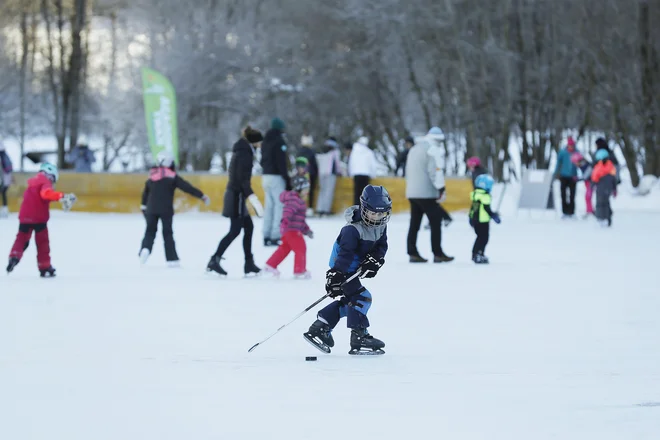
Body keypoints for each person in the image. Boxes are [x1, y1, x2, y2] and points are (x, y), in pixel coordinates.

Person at [303, 185, 391, 355]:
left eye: (381, 213)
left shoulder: (381, 225)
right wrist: (336, 276)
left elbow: (381, 245)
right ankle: (358, 336)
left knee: (351, 301)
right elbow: (345, 254)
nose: (377, 218)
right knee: (362, 298)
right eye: (373, 213)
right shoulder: (352, 229)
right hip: (343, 266)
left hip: (354, 265)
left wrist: (375, 260)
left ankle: (321, 326)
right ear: (364, 208)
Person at [207, 126, 265, 276]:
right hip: (237, 196)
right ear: (254, 142)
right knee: (235, 231)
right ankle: (215, 260)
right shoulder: (244, 154)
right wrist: (253, 198)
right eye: (259, 142)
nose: (260, 145)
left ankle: (249, 263)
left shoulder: (243, 151)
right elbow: (242, 180)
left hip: (237, 195)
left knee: (249, 227)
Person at [139, 151, 209, 266]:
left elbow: (145, 193)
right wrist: (202, 195)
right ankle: (172, 259)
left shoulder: (152, 176)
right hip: (166, 209)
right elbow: (187, 187)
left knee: (150, 231)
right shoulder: (172, 177)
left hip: (151, 209)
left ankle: (145, 249)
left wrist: (143, 206)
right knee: (167, 233)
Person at [6, 163, 77, 277]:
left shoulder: (33, 182)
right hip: (39, 219)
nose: (52, 183)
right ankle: (44, 266)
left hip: (25, 217)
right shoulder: (45, 182)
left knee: (21, 239)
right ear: (50, 175)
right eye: (53, 180)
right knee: (42, 243)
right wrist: (61, 196)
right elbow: (46, 194)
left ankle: (14, 256)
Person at [404, 127, 454, 263]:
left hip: (412, 192)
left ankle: (412, 252)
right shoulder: (433, 149)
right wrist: (441, 188)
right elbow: (435, 171)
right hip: (426, 192)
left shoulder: (414, 148)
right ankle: (438, 253)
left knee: (414, 222)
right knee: (436, 221)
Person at [263, 175, 313, 279]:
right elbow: (287, 212)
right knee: (301, 248)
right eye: (305, 189)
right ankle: (299, 270)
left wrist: (307, 230)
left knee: (284, 248)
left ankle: (270, 265)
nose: (307, 192)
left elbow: (300, 221)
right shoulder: (295, 200)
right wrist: (284, 223)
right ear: (299, 189)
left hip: (290, 230)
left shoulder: (298, 200)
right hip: (292, 231)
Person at [260, 118, 291, 246]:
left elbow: (262, 160)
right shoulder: (279, 141)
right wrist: (287, 179)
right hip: (276, 177)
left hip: (265, 176)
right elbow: (281, 162)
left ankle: (266, 234)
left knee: (269, 207)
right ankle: (275, 235)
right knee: (279, 206)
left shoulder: (265, 141)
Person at [469, 174, 501, 264]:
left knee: (479, 237)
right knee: (484, 238)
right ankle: (478, 253)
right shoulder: (485, 196)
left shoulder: (475, 194)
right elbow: (487, 209)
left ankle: (476, 253)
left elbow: (473, 208)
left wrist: (470, 218)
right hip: (483, 221)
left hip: (475, 220)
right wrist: (494, 216)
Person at [315, 137, 343, 216]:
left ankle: (319, 209)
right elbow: (337, 163)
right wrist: (339, 172)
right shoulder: (335, 151)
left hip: (321, 172)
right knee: (329, 191)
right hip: (330, 172)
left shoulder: (321, 149)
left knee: (322, 191)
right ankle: (326, 210)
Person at [591, 149, 617, 227]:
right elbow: (614, 179)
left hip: (601, 188)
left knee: (600, 203)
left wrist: (592, 186)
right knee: (606, 203)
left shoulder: (599, 166)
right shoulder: (611, 166)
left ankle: (601, 217)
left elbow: (594, 177)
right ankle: (606, 217)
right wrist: (614, 188)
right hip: (607, 188)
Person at [347, 136, 377, 206]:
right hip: (366, 174)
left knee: (356, 194)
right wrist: (373, 175)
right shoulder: (369, 152)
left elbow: (351, 163)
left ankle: (356, 210)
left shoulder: (354, 152)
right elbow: (372, 165)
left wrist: (350, 173)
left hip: (356, 174)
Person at [554, 136, 578, 218]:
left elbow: (581, 165)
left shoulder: (576, 153)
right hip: (563, 176)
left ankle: (571, 212)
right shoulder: (563, 153)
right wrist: (555, 173)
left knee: (572, 195)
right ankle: (564, 212)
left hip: (573, 177)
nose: (571, 147)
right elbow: (558, 163)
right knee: (563, 195)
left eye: (572, 146)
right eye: (569, 146)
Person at [297, 135, 318, 215]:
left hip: (301, 174)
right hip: (310, 174)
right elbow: (314, 164)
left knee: (301, 191)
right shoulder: (311, 151)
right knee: (310, 192)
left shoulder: (299, 152)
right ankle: (309, 209)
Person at [570, 152, 594, 217]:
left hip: (591, 183)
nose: (575, 164)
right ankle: (590, 210)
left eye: (575, 162)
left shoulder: (587, 165)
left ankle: (590, 211)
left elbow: (586, 175)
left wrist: (578, 179)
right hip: (587, 182)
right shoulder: (582, 165)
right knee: (587, 197)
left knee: (588, 196)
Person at [0, 142, 13, 218]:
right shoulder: (5, 156)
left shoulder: (3, 157)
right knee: (3, 192)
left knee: (3, 192)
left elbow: (5, 169)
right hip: (5, 178)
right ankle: (5, 209)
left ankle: (5, 209)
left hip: (4, 178)